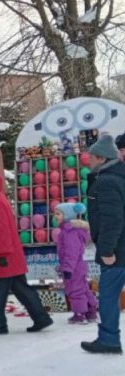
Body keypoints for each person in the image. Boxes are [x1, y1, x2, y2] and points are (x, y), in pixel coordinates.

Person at [0, 168, 53, 335]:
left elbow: (0, 230)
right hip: (6, 255)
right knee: (21, 288)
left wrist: (1, 254)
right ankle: (40, 317)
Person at [81, 134, 125, 355]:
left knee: (107, 294)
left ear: (101, 158)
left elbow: (113, 219)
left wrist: (106, 249)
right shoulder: (117, 177)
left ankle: (108, 339)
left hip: (118, 251)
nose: (88, 160)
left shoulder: (107, 182)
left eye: (91, 156)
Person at [53, 202, 98, 325]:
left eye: (58, 213)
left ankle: (79, 314)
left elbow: (71, 251)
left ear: (67, 215)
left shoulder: (69, 231)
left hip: (73, 267)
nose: (55, 216)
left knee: (75, 289)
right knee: (83, 288)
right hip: (78, 265)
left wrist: (67, 268)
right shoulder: (72, 230)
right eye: (55, 214)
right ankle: (91, 311)